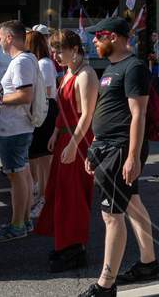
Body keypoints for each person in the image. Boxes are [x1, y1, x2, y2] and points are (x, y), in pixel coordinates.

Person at [79, 18, 158, 297]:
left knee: (111, 216)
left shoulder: (134, 67)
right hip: (108, 147)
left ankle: (105, 284)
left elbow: (139, 114)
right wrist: (94, 147)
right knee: (133, 205)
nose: (94, 42)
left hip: (122, 149)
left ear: (112, 36)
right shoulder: (113, 67)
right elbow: (108, 110)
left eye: (97, 37)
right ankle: (148, 263)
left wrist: (132, 157)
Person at [36, 30, 97, 273]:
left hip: (79, 141)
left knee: (74, 197)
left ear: (74, 48)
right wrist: (55, 133)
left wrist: (72, 144)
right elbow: (63, 109)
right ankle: (67, 245)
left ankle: (74, 248)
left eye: (60, 49)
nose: (55, 55)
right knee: (62, 194)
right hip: (66, 138)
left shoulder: (86, 75)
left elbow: (87, 116)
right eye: (54, 50)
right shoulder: (68, 73)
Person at [0, 20, 37, 243]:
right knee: (21, 175)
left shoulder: (21, 62)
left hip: (13, 129)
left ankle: (17, 225)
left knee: (17, 177)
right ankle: (23, 222)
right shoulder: (24, 59)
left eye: (0, 38)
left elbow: (25, 96)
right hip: (16, 127)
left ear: (8, 38)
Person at [24, 31, 58, 220]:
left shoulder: (44, 63)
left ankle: (45, 198)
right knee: (38, 156)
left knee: (45, 158)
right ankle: (41, 192)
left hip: (44, 109)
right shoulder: (40, 62)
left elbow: (44, 92)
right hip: (41, 109)